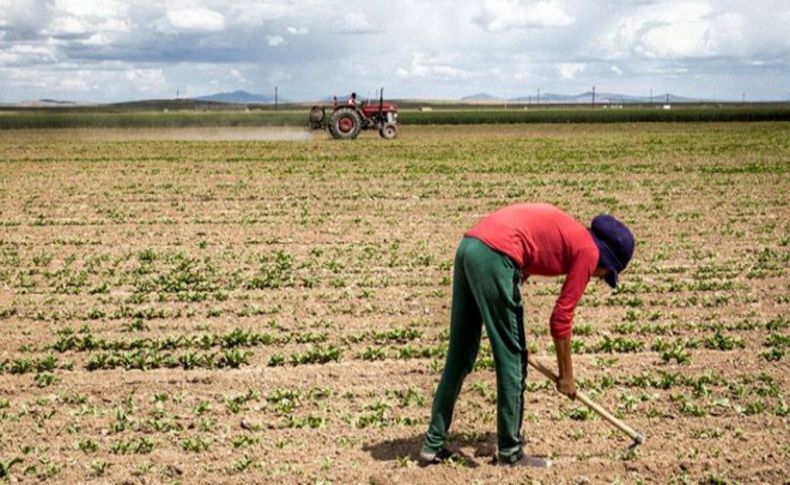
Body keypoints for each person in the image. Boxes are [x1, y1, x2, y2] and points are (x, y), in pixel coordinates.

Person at [419, 202, 635, 467]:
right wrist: (567, 375)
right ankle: (511, 452)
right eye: (606, 274)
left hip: (470, 247)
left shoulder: (572, 234)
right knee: (513, 361)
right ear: (606, 259)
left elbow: (529, 248)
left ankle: (432, 443)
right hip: (495, 254)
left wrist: (506, 322)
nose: (600, 278)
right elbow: (561, 319)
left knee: (460, 355)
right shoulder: (588, 252)